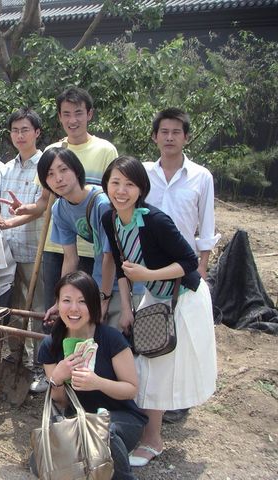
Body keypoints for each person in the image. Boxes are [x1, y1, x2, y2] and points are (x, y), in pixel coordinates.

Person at [100, 155, 217, 467]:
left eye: (129, 184)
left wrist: (148, 275)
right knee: (145, 366)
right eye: (115, 183)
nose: (121, 191)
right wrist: (126, 308)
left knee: (157, 370)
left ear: (141, 189)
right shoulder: (110, 219)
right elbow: (122, 266)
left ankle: (153, 441)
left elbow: (189, 262)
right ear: (106, 185)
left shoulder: (155, 221)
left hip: (183, 298)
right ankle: (143, 433)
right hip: (155, 296)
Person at [4, 87, 119, 313]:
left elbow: (113, 199)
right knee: (55, 306)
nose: (72, 120)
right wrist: (26, 208)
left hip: (94, 249)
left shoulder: (105, 150)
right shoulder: (52, 150)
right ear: (59, 117)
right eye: (66, 114)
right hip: (56, 245)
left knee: (86, 310)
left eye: (78, 113)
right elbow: (45, 201)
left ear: (89, 114)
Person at [145, 108, 221, 424]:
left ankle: (178, 401)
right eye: (164, 132)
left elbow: (206, 226)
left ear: (186, 137)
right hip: (146, 269)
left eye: (176, 132)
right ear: (154, 136)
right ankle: (150, 399)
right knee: (150, 333)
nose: (169, 138)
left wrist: (202, 268)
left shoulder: (201, 177)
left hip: (182, 269)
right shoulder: (144, 174)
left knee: (180, 337)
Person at [37, 271, 147, 480]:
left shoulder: (111, 338)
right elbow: (60, 402)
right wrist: (57, 378)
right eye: (66, 301)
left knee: (102, 432)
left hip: (122, 418)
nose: (74, 308)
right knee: (46, 456)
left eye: (82, 301)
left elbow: (131, 389)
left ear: (93, 305)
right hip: (78, 419)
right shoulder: (51, 345)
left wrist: (97, 383)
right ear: (57, 304)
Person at [0, 107, 45, 388]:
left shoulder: (45, 165)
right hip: (7, 252)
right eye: (15, 130)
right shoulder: (6, 168)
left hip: (35, 250)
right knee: (13, 307)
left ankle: (40, 365)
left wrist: (10, 221)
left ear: (37, 132)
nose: (19, 135)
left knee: (38, 309)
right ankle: (16, 357)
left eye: (25, 130)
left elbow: (41, 207)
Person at [37, 148, 144, 332]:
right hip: (99, 284)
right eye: (50, 174)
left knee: (118, 340)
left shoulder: (103, 204)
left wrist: (103, 300)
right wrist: (60, 300)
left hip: (127, 282)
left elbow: (110, 257)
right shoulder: (59, 209)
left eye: (63, 170)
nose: (58, 179)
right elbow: (70, 258)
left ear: (77, 170)